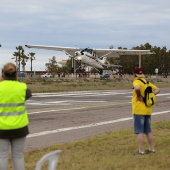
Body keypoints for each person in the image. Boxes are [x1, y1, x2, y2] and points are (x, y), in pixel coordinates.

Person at [0, 63, 32, 170]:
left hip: (1, 128)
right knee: (18, 156)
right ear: (16, 74)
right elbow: (27, 95)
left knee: (2, 156)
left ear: (2, 74)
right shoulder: (22, 87)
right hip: (20, 128)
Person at [132, 67, 160, 155]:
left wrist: (139, 96)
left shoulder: (136, 81)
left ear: (135, 74)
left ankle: (141, 151)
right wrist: (151, 95)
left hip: (139, 109)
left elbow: (137, 88)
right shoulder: (147, 82)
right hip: (148, 109)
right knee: (148, 131)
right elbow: (157, 89)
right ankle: (152, 149)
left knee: (139, 131)